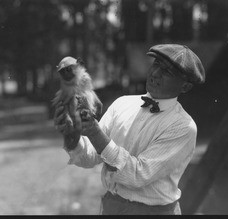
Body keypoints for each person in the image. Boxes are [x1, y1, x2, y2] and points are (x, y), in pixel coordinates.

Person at [54, 44, 205, 215]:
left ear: (185, 87)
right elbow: (90, 157)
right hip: (112, 207)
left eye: (168, 72)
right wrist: (71, 135)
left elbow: (137, 175)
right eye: (156, 64)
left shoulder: (183, 126)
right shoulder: (122, 104)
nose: (156, 73)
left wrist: (95, 133)